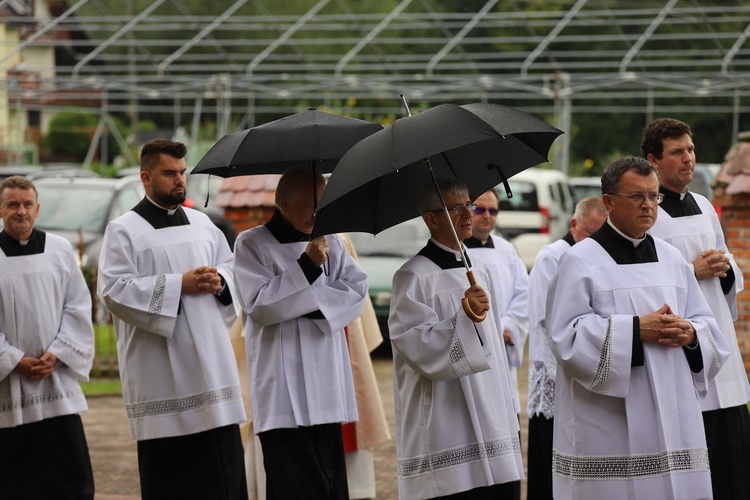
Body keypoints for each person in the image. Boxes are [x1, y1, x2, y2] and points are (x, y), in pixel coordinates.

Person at [546, 156, 730, 499]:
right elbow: (565, 335)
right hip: (609, 417)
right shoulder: (580, 260)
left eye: (654, 196)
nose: (648, 205)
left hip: (673, 407)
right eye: (637, 196)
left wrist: (690, 334)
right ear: (608, 201)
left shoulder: (672, 258)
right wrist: (633, 330)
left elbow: (705, 322)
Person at [98, 138, 247, 499]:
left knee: (223, 479)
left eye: (182, 172)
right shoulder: (124, 230)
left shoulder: (203, 224)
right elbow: (114, 291)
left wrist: (220, 281)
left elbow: (231, 269)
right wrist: (179, 284)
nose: (180, 180)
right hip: (160, 376)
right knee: (173, 483)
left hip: (213, 374)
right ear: (146, 178)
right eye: (169, 173)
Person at [233, 166, 368, 500]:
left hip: (326, 387)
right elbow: (260, 306)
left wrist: (306, 304)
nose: (318, 214)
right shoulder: (251, 245)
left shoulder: (331, 241)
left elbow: (357, 291)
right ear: (283, 203)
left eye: (323, 204)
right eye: (311, 205)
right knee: (292, 487)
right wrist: (307, 266)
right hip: (281, 395)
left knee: (330, 486)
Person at [389, 177, 524, 499]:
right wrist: (464, 317)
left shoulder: (478, 266)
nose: (469, 213)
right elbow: (414, 344)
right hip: (445, 414)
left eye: (469, 205)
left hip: (490, 400)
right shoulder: (413, 275)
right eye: (456, 208)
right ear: (431, 219)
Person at [642, 117, 750, 499]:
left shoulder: (705, 205)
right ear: (654, 160)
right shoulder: (649, 214)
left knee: (736, 454)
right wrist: (692, 270)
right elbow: (643, 282)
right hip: (683, 348)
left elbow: (729, 263)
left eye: (690, 149)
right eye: (677, 152)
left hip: (719, 339)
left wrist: (724, 269)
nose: (688, 158)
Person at [0, 175, 96, 499]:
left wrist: (57, 352)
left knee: (70, 477)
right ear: (1, 209)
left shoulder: (60, 250)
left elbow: (79, 305)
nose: (21, 212)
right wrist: (13, 360)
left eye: (27, 204)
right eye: (13, 205)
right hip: (9, 386)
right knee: (14, 479)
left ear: (37, 208)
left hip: (55, 382)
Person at [525, 195, 606, 500]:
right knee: (550, 471)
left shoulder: (595, 257)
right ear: (574, 224)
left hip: (584, 370)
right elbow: (549, 324)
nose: (592, 243)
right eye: (588, 234)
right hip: (557, 376)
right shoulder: (553, 256)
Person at [463, 188, 528, 500]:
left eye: (493, 211)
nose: (487, 217)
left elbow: (523, 296)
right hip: (471, 358)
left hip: (501, 354)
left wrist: (507, 326)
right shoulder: (457, 253)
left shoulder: (507, 251)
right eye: (481, 210)